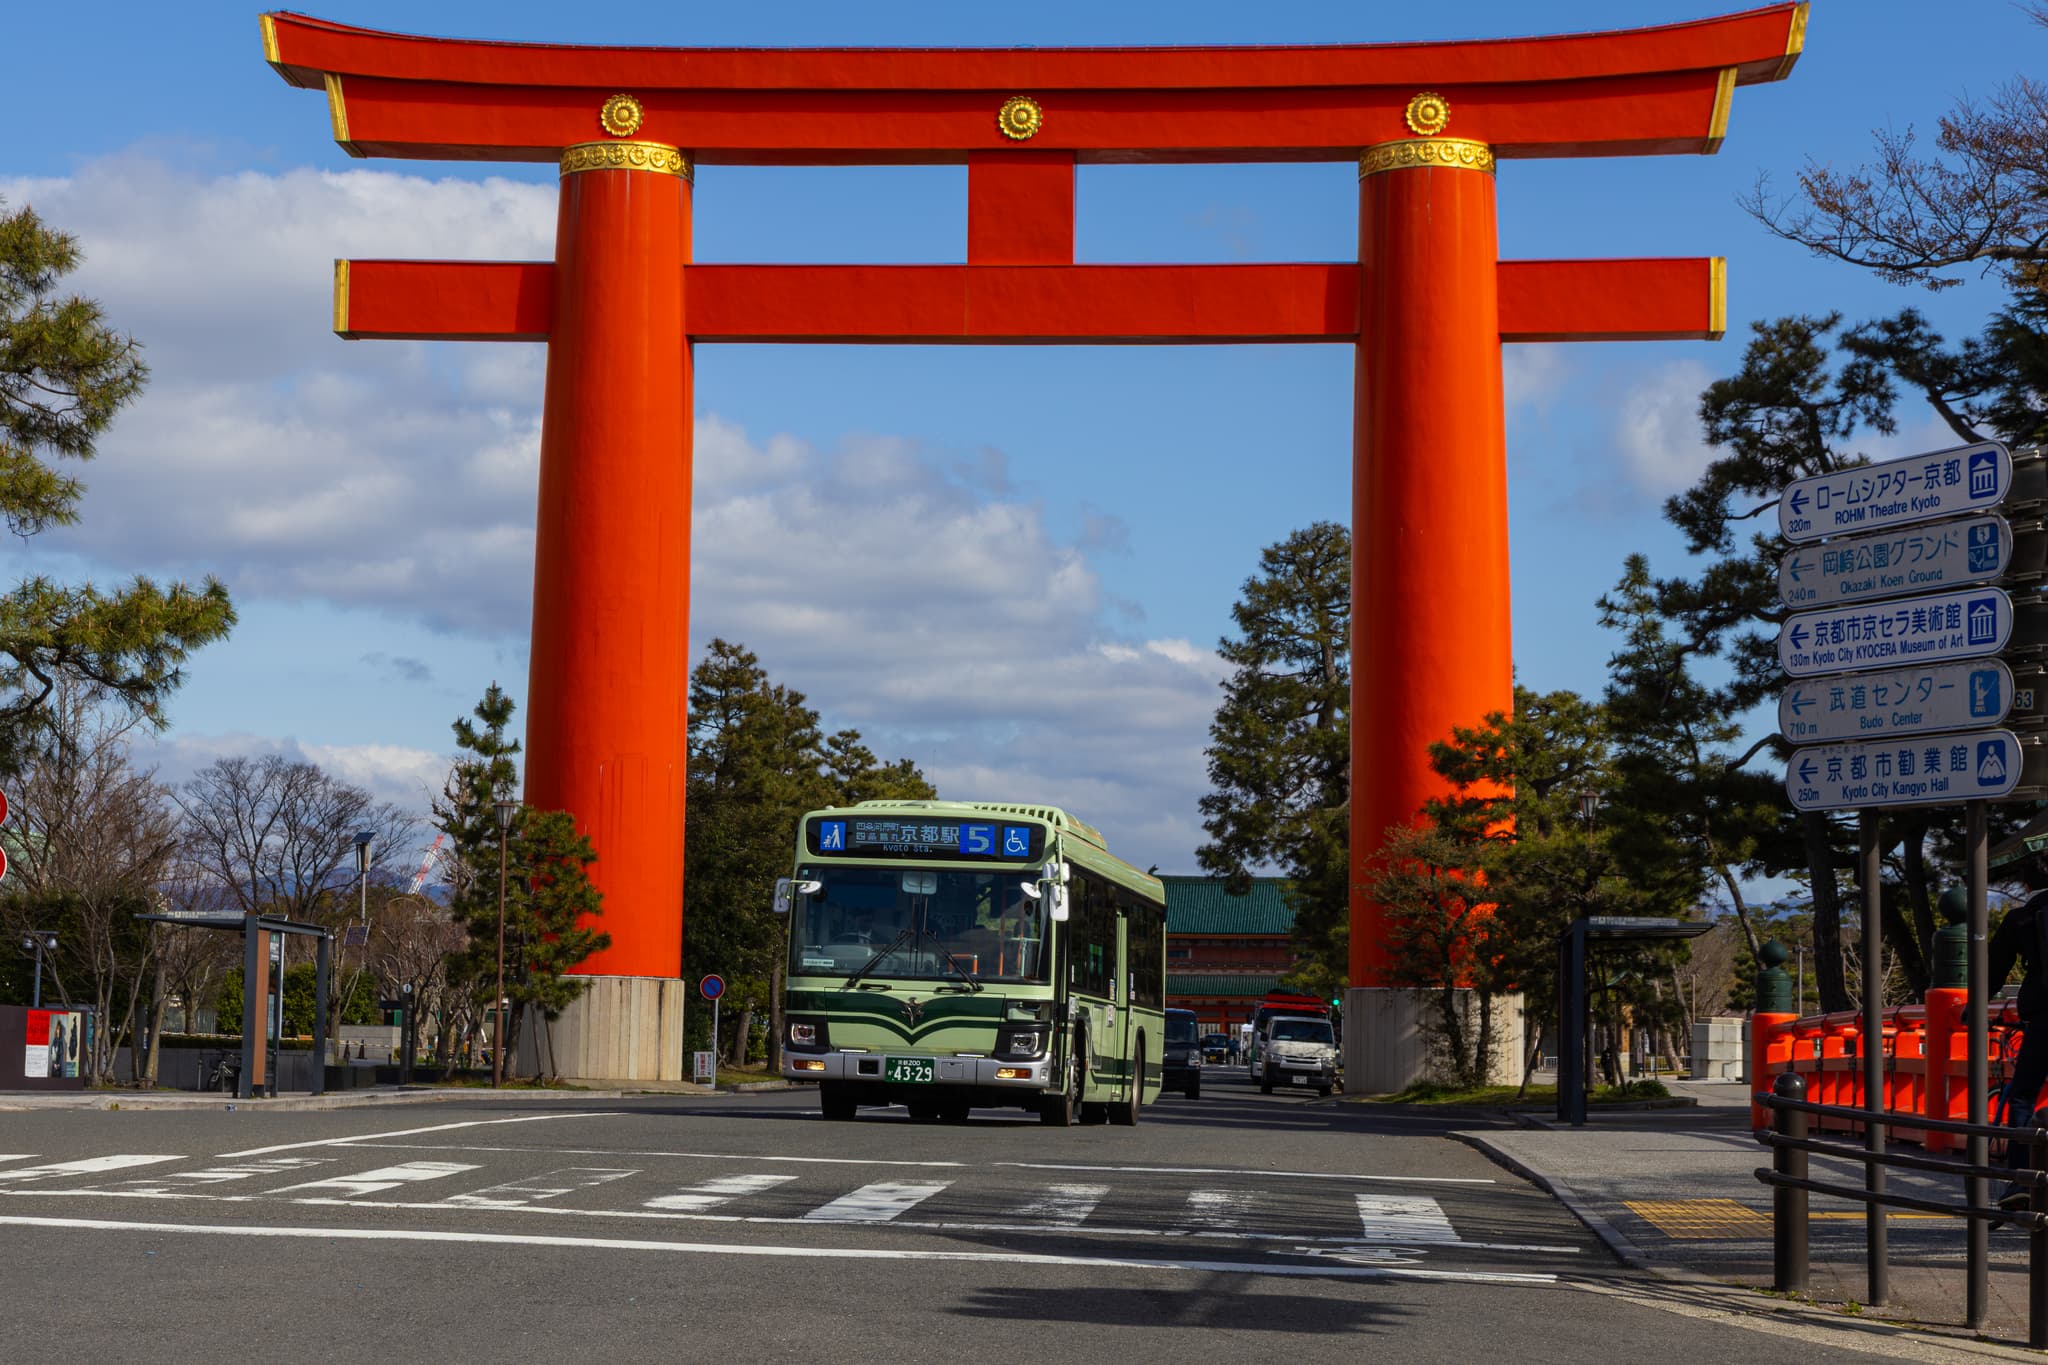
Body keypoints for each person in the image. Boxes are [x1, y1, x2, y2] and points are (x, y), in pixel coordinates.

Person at [1986, 854, 2048, 1216]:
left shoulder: (2020, 918)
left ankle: (2020, 1179)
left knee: (2023, 1095)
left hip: (2042, 1018)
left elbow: (1993, 971)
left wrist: (1975, 1005)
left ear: (2024, 885)